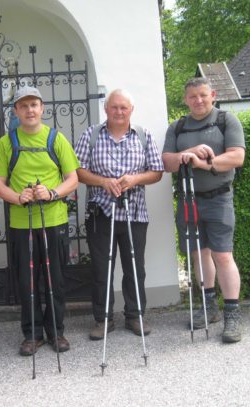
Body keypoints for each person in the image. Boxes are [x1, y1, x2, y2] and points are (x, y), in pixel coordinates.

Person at [0, 86, 80, 356]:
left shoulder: (56, 139)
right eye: (24, 106)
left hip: (54, 220)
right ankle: (32, 334)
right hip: (22, 223)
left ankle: (56, 331)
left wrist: (51, 193)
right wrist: (18, 197)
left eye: (34, 105)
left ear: (42, 108)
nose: (30, 110)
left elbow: (73, 178)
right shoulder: (7, 143)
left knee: (55, 278)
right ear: (16, 111)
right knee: (27, 280)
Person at [74, 89, 164, 340]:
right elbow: (78, 171)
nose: (119, 112)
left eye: (124, 107)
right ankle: (102, 319)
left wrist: (134, 179)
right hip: (101, 213)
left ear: (131, 110)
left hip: (135, 212)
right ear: (106, 109)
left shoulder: (143, 136)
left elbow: (156, 172)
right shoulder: (91, 135)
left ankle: (135, 315)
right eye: (114, 107)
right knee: (102, 268)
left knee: (135, 267)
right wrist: (103, 182)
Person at [162, 77, 245, 343]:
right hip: (189, 200)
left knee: (222, 255)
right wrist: (189, 152)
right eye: (192, 96)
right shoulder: (177, 127)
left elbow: (236, 157)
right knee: (199, 254)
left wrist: (201, 163)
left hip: (219, 198)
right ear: (186, 99)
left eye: (202, 95)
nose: (198, 100)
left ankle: (232, 313)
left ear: (212, 95)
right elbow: (167, 163)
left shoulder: (226, 120)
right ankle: (209, 307)